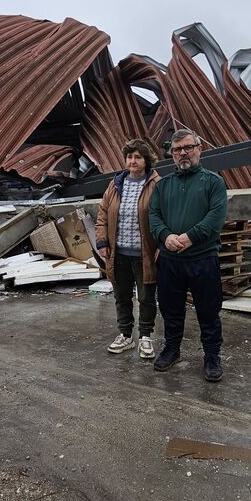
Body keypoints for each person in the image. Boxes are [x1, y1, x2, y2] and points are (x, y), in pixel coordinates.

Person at [148, 129, 228, 381]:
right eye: (177, 149)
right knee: (170, 310)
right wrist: (165, 236)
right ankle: (172, 349)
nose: (182, 153)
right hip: (170, 261)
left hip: (203, 259)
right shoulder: (163, 185)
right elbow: (154, 216)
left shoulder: (213, 182)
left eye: (187, 147)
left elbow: (215, 217)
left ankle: (212, 356)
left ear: (199, 149)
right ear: (172, 154)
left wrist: (189, 237)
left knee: (208, 311)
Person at [94, 139, 161, 359]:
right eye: (130, 157)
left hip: (145, 255)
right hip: (119, 254)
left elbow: (164, 216)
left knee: (146, 298)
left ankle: (145, 337)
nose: (133, 161)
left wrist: (161, 247)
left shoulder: (156, 184)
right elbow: (103, 215)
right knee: (121, 297)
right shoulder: (115, 185)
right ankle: (125, 335)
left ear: (146, 160)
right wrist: (103, 243)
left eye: (138, 157)